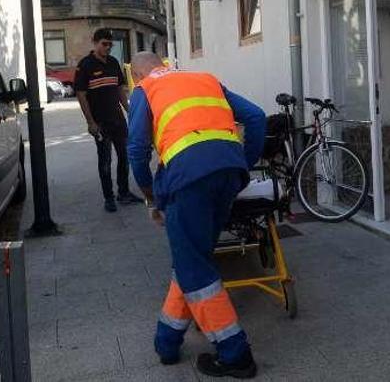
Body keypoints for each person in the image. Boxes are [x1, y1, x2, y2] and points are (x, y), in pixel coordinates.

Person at [126, 52, 266, 379]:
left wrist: (150, 196)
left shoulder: (144, 90)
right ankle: (167, 341)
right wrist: (242, 164)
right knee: (194, 259)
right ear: (163, 63)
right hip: (228, 173)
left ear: (136, 75)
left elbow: (135, 150)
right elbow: (257, 117)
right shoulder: (205, 79)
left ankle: (236, 354)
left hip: (187, 180)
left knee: (194, 266)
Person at [74, 29, 143, 213]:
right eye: (104, 44)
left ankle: (124, 192)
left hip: (118, 120)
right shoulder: (85, 65)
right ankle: (109, 198)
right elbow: (81, 95)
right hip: (100, 122)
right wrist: (90, 122)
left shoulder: (113, 63)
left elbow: (120, 89)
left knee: (124, 157)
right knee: (105, 161)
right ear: (95, 43)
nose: (108, 47)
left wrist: (130, 110)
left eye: (110, 44)